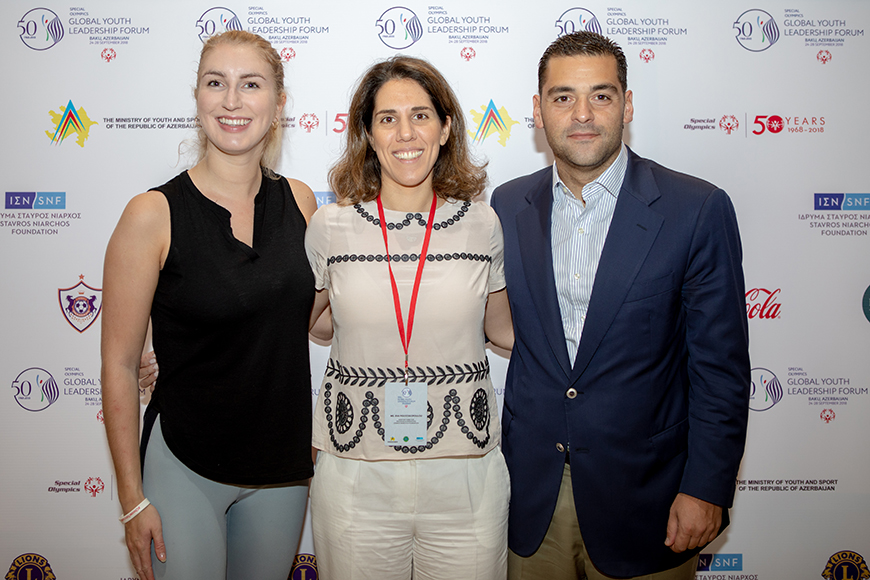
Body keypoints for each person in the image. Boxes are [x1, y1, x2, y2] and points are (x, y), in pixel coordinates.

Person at [489, 31, 750, 580]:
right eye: (562, 97)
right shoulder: (507, 204)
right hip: (531, 495)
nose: (582, 114)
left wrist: (705, 488)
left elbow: (720, 370)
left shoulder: (696, 208)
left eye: (601, 96)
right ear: (537, 111)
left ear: (627, 105)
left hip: (648, 499)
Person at [101, 30, 318, 580]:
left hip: (281, 470)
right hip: (185, 464)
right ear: (196, 96)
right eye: (215, 83)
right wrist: (132, 499)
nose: (231, 101)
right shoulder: (151, 214)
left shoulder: (301, 201)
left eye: (251, 85)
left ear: (279, 102)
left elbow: (313, 317)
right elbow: (120, 365)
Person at [305, 56, 513, 579]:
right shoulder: (330, 227)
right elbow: (298, 324)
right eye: (388, 118)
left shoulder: (482, 224)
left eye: (421, 115)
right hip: (356, 472)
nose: (406, 133)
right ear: (368, 135)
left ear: (446, 129)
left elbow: (505, 331)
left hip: (466, 476)